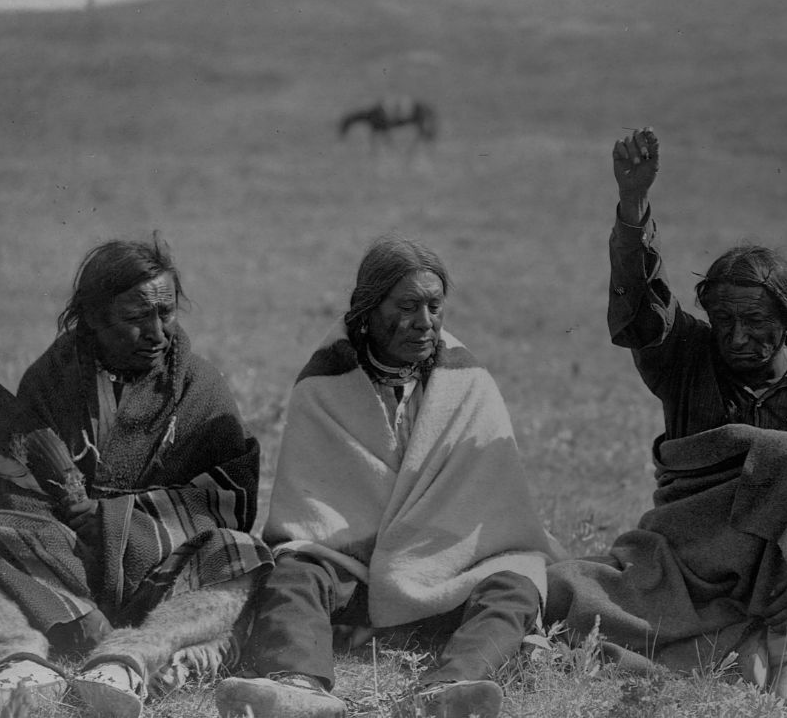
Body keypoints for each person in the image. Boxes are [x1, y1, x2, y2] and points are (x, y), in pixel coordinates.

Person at [543, 129, 787, 713]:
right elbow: (643, 307)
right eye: (724, 320)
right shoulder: (685, 356)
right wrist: (633, 204)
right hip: (696, 562)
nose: (736, 338)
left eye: (755, 322)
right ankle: (765, 648)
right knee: (566, 593)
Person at [215, 235, 560, 718]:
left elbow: (491, 503)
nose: (425, 322)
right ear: (368, 310)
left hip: (449, 571)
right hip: (354, 573)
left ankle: (450, 689)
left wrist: (427, 560)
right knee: (294, 571)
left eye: (435, 307)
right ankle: (298, 685)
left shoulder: (470, 384)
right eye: (407, 306)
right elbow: (312, 517)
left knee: (515, 583)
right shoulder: (324, 385)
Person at [0, 236, 272, 718]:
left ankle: (130, 657)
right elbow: (17, 491)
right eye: (136, 318)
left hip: (160, 576)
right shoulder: (49, 380)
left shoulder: (200, 387)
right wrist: (74, 540)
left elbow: (228, 498)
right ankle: (19, 662)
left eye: (166, 313)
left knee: (241, 554)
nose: (157, 333)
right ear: (93, 317)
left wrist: (117, 521)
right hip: (64, 567)